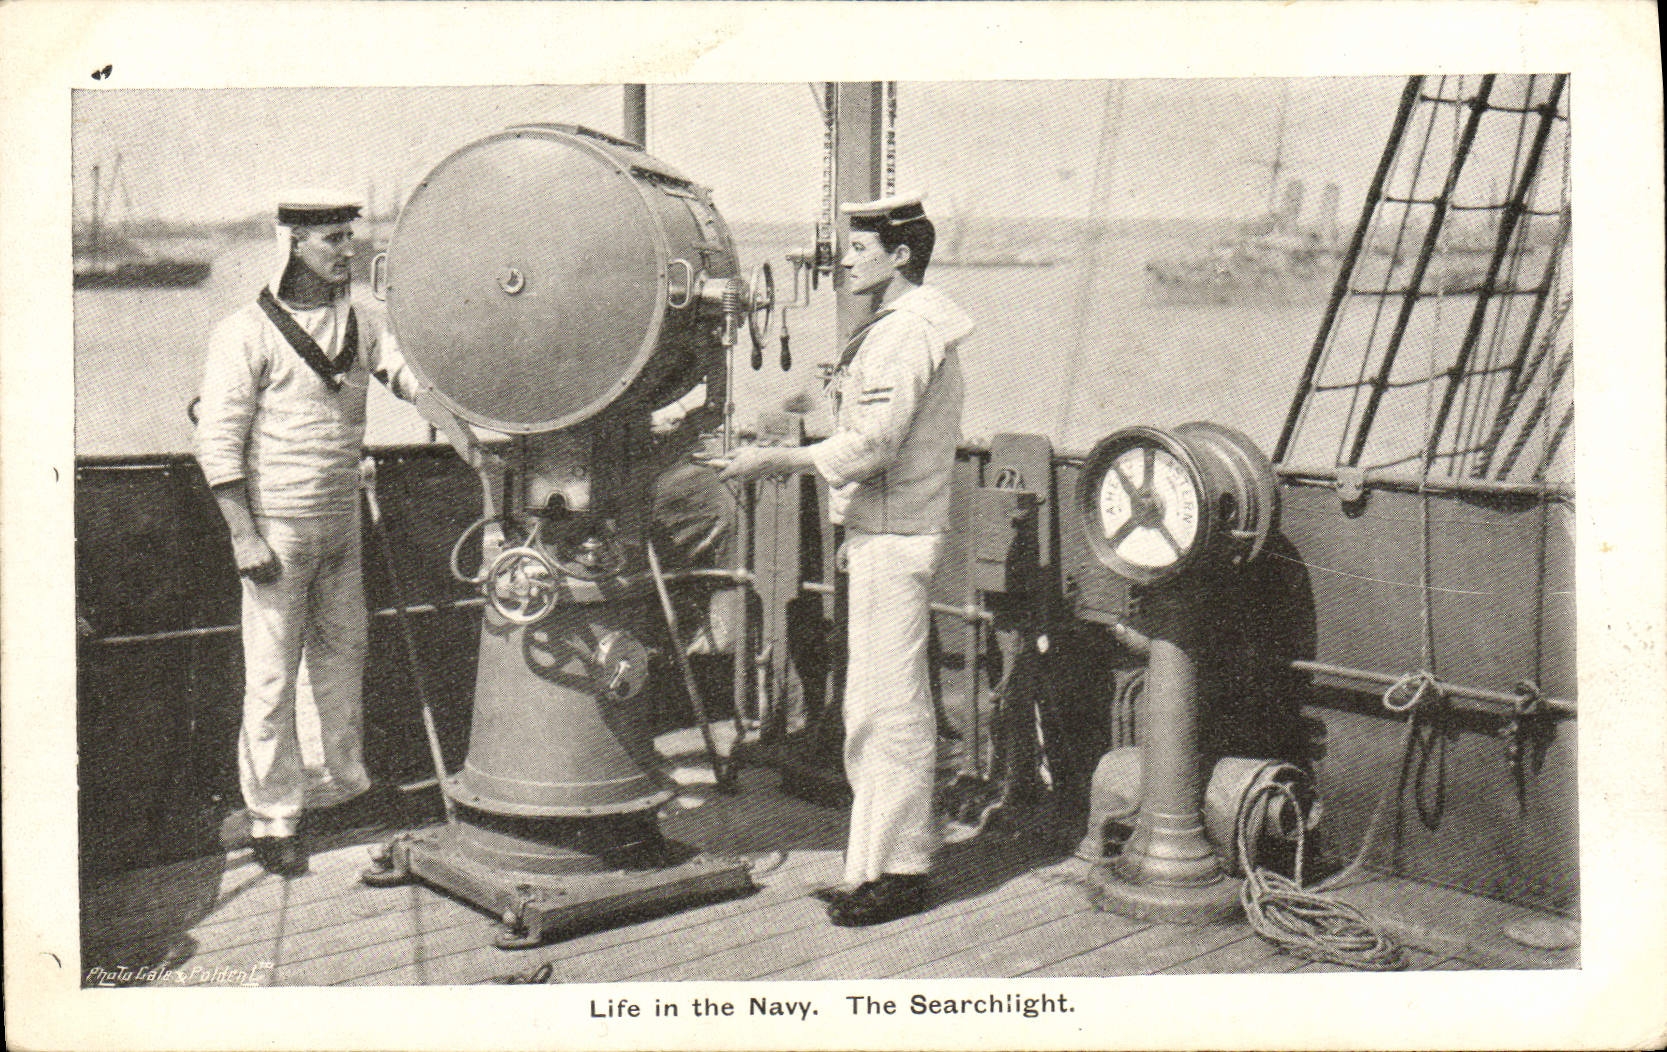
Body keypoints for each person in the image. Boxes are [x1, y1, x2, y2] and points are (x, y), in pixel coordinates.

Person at [721, 192, 972, 926]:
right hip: (879, 535)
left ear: (900, 256)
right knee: (868, 709)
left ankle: (902, 872)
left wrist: (776, 458)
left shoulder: (907, 334)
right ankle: (869, 866)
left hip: (895, 543)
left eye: (860, 251)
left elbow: (872, 446)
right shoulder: (891, 329)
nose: (845, 262)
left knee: (889, 714)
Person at [195, 192, 420, 876]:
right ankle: (272, 818)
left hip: (340, 522)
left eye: (348, 237)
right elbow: (219, 442)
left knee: (341, 657)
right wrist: (243, 535)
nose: (347, 250)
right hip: (277, 527)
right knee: (270, 677)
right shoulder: (244, 333)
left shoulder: (365, 321)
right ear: (292, 244)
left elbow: (413, 380)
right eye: (331, 239)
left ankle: (339, 787)